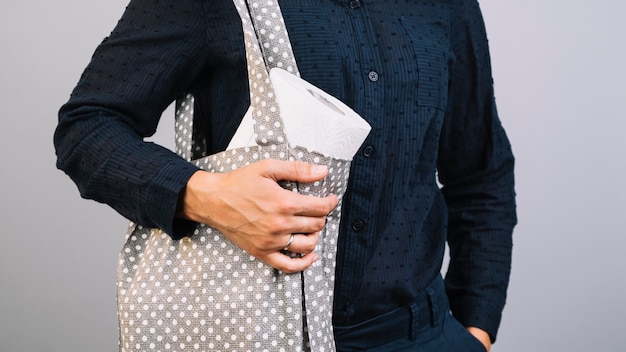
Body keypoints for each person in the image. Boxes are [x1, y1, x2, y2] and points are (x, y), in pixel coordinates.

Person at [54, 0, 516, 351]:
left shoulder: (446, 6)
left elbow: (481, 170)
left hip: (420, 336)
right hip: (254, 334)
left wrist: (477, 326)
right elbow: (87, 127)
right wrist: (204, 196)